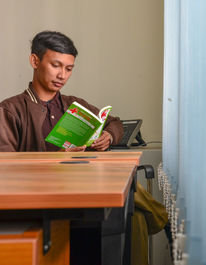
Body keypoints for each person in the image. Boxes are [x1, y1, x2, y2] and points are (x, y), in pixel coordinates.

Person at [0, 31, 168, 265]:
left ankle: (157, 216)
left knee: (134, 215)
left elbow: (115, 122)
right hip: (44, 204)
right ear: (35, 61)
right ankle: (163, 218)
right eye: (56, 66)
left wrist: (108, 136)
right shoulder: (10, 110)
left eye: (69, 69)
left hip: (84, 195)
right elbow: (5, 171)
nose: (62, 75)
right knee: (132, 205)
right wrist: (56, 159)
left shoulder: (73, 104)